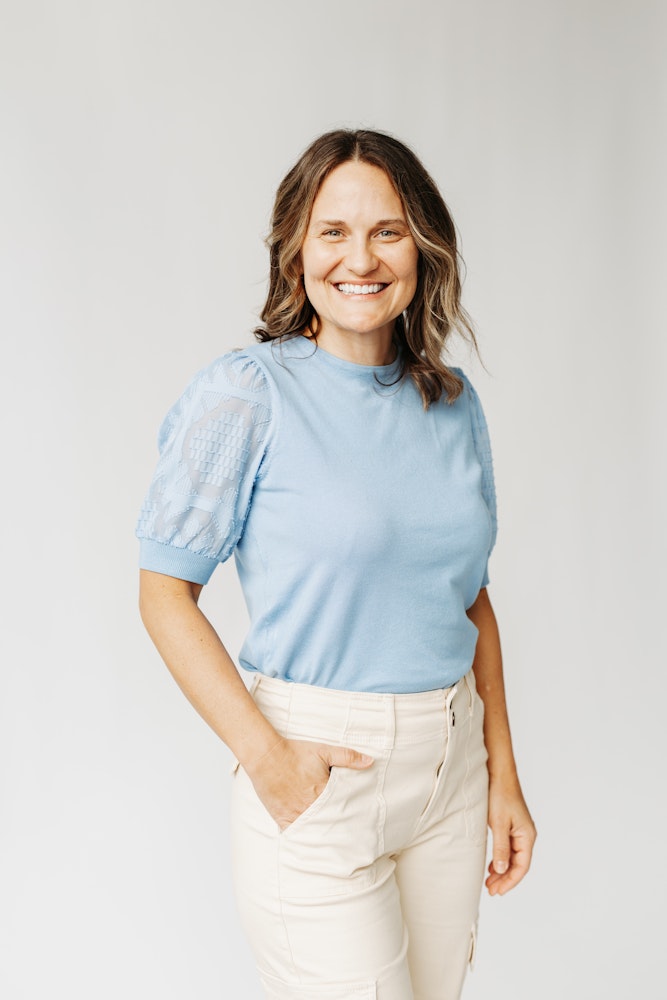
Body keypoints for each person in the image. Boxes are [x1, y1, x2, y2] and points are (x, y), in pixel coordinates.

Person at [136, 128, 536, 1000]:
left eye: (388, 231)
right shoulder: (246, 394)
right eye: (333, 231)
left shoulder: (453, 404)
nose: (362, 257)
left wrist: (502, 773)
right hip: (319, 767)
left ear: (422, 251)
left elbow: (468, 603)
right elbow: (165, 592)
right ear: (294, 253)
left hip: (449, 773)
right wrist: (269, 762)